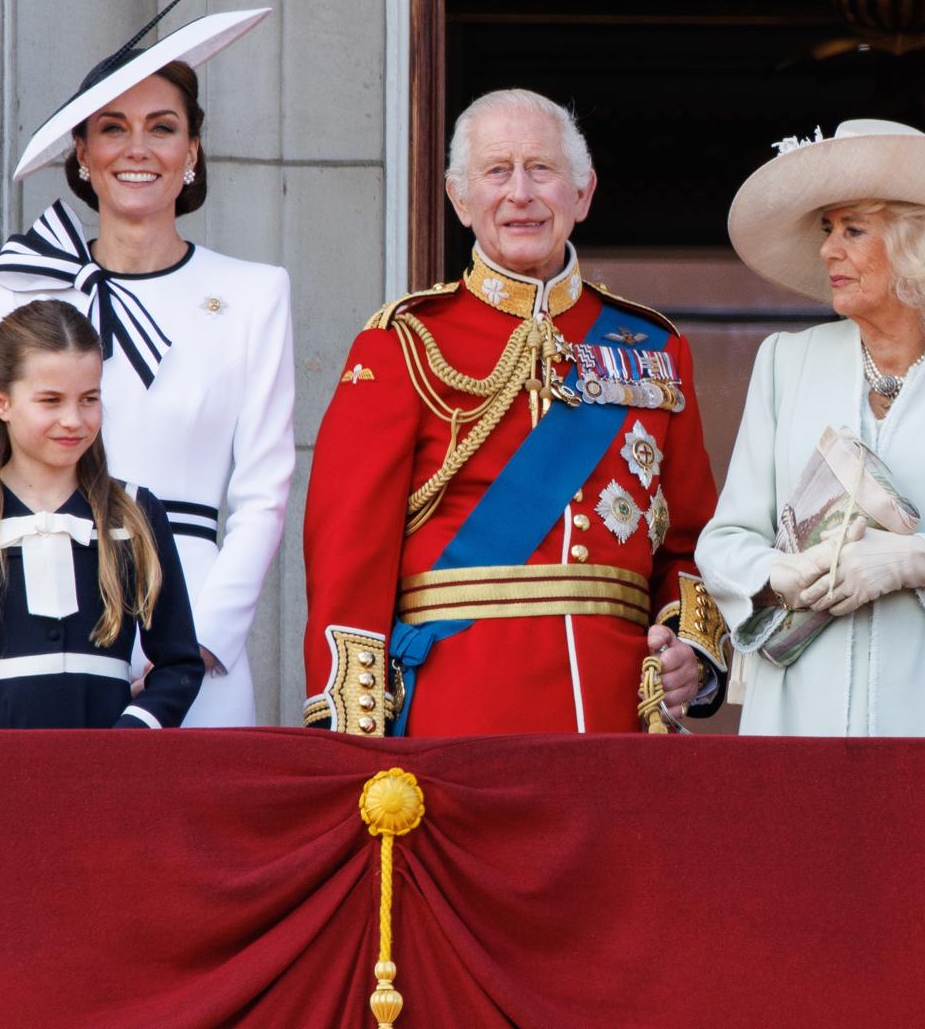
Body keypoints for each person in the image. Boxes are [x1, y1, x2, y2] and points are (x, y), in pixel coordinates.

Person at [302, 88, 729, 736]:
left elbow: (690, 543)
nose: (521, 193)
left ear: (583, 194)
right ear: (460, 199)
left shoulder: (653, 348)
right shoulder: (403, 342)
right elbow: (347, 555)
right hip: (453, 713)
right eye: (497, 170)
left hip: (614, 718)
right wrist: (354, 736)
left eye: (542, 169)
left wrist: (688, 652)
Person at [0, 6, 291, 727]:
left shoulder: (254, 292)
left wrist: (199, 642)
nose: (137, 147)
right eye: (113, 127)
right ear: (81, 153)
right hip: (45, 604)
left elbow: (264, 492)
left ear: (193, 152)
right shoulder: (23, 280)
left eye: (163, 126)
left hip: (196, 607)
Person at [698, 120, 925, 736]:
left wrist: (914, 561)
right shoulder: (787, 361)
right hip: (800, 709)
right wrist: (774, 575)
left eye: (852, 229)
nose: (827, 250)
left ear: (919, 242)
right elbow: (726, 538)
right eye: (827, 229)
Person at [0, 301, 203, 728]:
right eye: (50, 401)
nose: (73, 420)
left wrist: (134, 732)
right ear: (1, 402)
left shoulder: (136, 514)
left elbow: (179, 663)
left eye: (89, 399)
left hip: (112, 773)